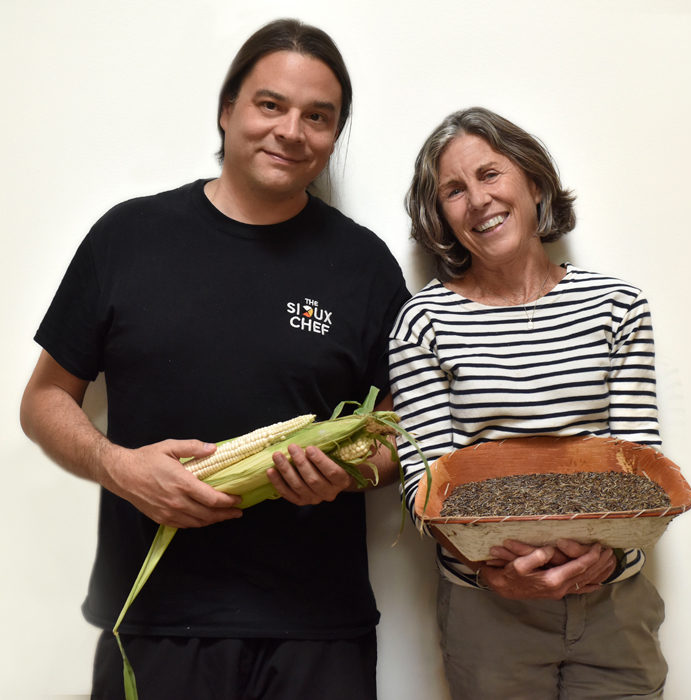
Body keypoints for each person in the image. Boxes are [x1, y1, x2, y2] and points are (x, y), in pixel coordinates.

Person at [20, 19, 408, 700]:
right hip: (154, 621)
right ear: (227, 110)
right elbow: (44, 400)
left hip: (317, 631)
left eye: (319, 116)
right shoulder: (128, 238)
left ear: (334, 137)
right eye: (270, 105)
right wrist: (121, 467)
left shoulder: (364, 266)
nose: (292, 130)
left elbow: (404, 434)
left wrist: (348, 475)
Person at [388, 107, 666, 699]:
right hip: (488, 612)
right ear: (440, 216)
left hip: (614, 605)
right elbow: (425, 484)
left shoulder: (616, 306)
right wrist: (500, 572)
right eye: (454, 191)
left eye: (490, 174)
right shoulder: (424, 322)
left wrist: (606, 561)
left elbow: (640, 463)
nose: (478, 201)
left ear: (533, 182)